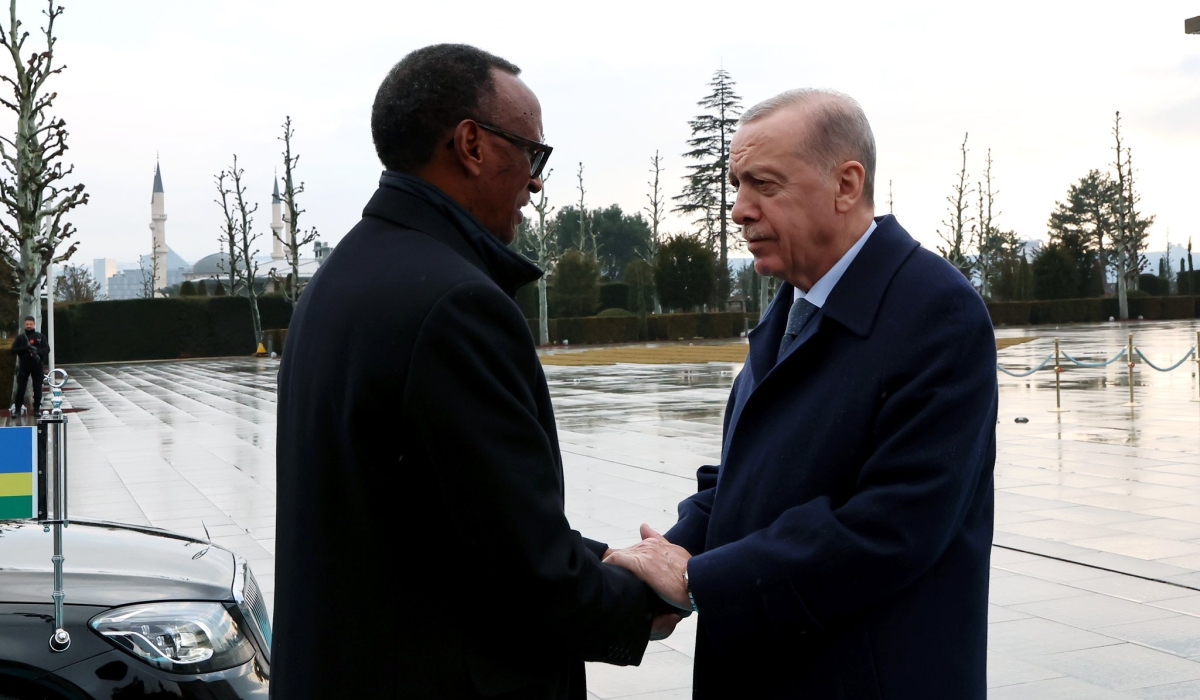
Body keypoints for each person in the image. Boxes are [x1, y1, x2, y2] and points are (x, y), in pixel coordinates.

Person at [272, 44, 676, 700]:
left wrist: (604, 558)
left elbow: (448, 522)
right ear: (472, 145)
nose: (538, 181)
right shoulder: (454, 305)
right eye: (532, 153)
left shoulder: (339, 279)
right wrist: (649, 594)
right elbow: (527, 572)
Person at [606, 89, 997, 699]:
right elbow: (743, 482)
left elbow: (893, 526)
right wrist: (658, 560)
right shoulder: (794, 305)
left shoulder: (934, 311)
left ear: (846, 184)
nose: (739, 209)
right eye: (736, 185)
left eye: (764, 184)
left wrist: (700, 579)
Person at [10, 316, 49, 417]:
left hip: (37, 365)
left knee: (37, 388)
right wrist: (26, 349)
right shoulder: (21, 338)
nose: (29, 326)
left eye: (30, 324)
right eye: (27, 324)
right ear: (24, 325)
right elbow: (13, 350)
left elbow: (47, 349)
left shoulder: (40, 337)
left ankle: (36, 409)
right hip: (24, 365)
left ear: (34, 324)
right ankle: (17, 410)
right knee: (21, 388)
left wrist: (37, 351)